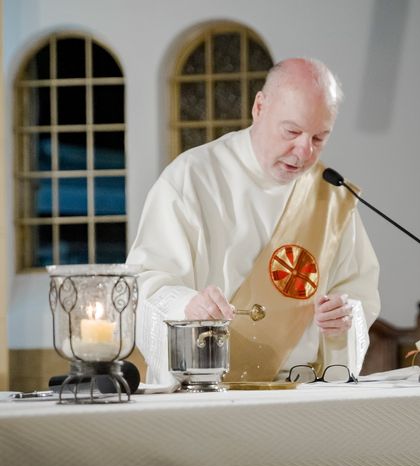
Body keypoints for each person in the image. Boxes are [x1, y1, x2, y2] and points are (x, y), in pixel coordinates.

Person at [127, 58, 380, 386]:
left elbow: (358, 293)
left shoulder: (331, 196)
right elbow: (145, 284)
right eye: (292, 131)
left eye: (319, 138)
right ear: (259, 107)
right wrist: (187, 306)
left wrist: (342, 319)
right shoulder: (192, 178)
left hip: (303, 392)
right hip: (206, 390)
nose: (304, 151)